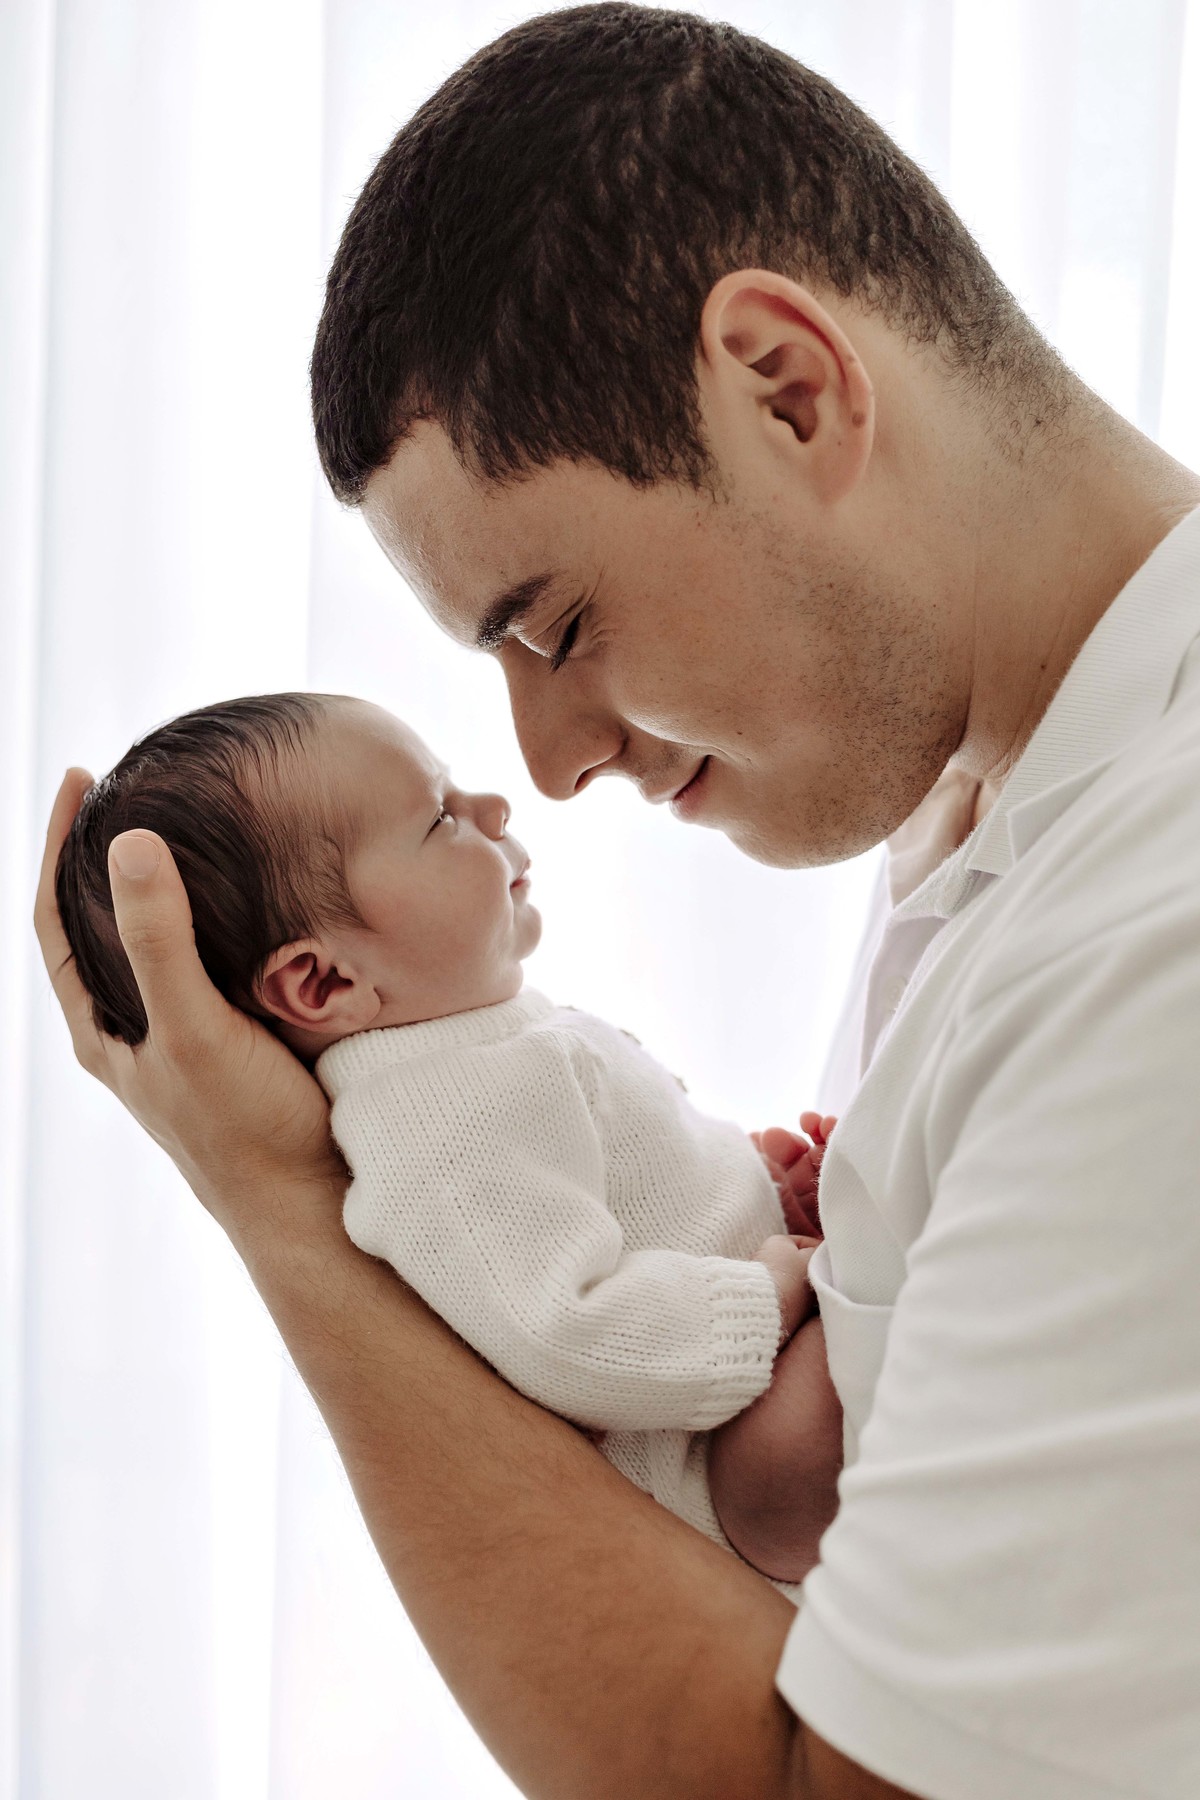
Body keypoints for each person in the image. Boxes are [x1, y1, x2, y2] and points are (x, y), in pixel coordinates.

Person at [35, 6, 1200, 1796]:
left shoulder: (1157, 928)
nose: (556, 761)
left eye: (557, 627)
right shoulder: (979, 804)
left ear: (790, 389)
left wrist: (277, 1202)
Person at [54, 689, 842, 1586]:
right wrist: (776, 1287)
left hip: (749, 1367)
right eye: (437, 817)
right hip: (741, 1465)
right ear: (321, 984)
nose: (491, 808)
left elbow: (621, 1180)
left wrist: (751, 1173)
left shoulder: (473, 1045)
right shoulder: (431, 1124)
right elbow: (568, 1330)